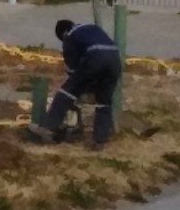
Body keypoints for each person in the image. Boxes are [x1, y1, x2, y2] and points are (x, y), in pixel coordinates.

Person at [29, 19, 122, 150]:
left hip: (95, 59)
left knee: (66, 92)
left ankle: (47, 128)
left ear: (63, 33)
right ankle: (99, 141)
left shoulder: (69, 36)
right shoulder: (91, 28)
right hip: (114, 61)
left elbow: (73, 70)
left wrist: (77, 89)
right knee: (104, 103)